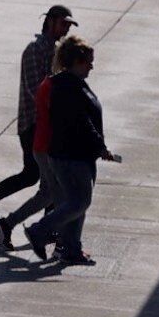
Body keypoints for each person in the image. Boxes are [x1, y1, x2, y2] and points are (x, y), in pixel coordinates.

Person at [0, 6, 76, 250]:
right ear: (49, 22)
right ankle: (39, 227)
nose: (66, 28)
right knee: (44, 179)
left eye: (69, 25)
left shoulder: (57, 51)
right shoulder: (34, 51)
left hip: (47, 126)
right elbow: (35, 90)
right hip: (33, 125)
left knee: (43, 179)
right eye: (63, 23)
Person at [26, 36, 117, 266]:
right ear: (77, 61)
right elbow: (82, 122)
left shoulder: (70, 82)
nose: (92, 66)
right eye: (88, 62)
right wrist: (100, 146)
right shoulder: (67, 86)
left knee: (76, 203)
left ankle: (71, 249)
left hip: (77, 155)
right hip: (71, 156)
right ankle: (39, 231)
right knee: (78, 203)